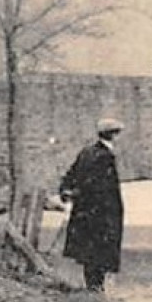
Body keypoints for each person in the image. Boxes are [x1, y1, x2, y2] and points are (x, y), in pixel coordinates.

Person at [60, 118, 126, 291]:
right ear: (113, 135)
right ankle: (96, 288)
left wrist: (68, 192)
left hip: (85, 211)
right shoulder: (106, 157)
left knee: (89, 253)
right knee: (101, 251)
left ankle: (93, 287)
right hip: (101, 213)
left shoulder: (86, 152)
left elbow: (70, 175)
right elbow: (101, 187)